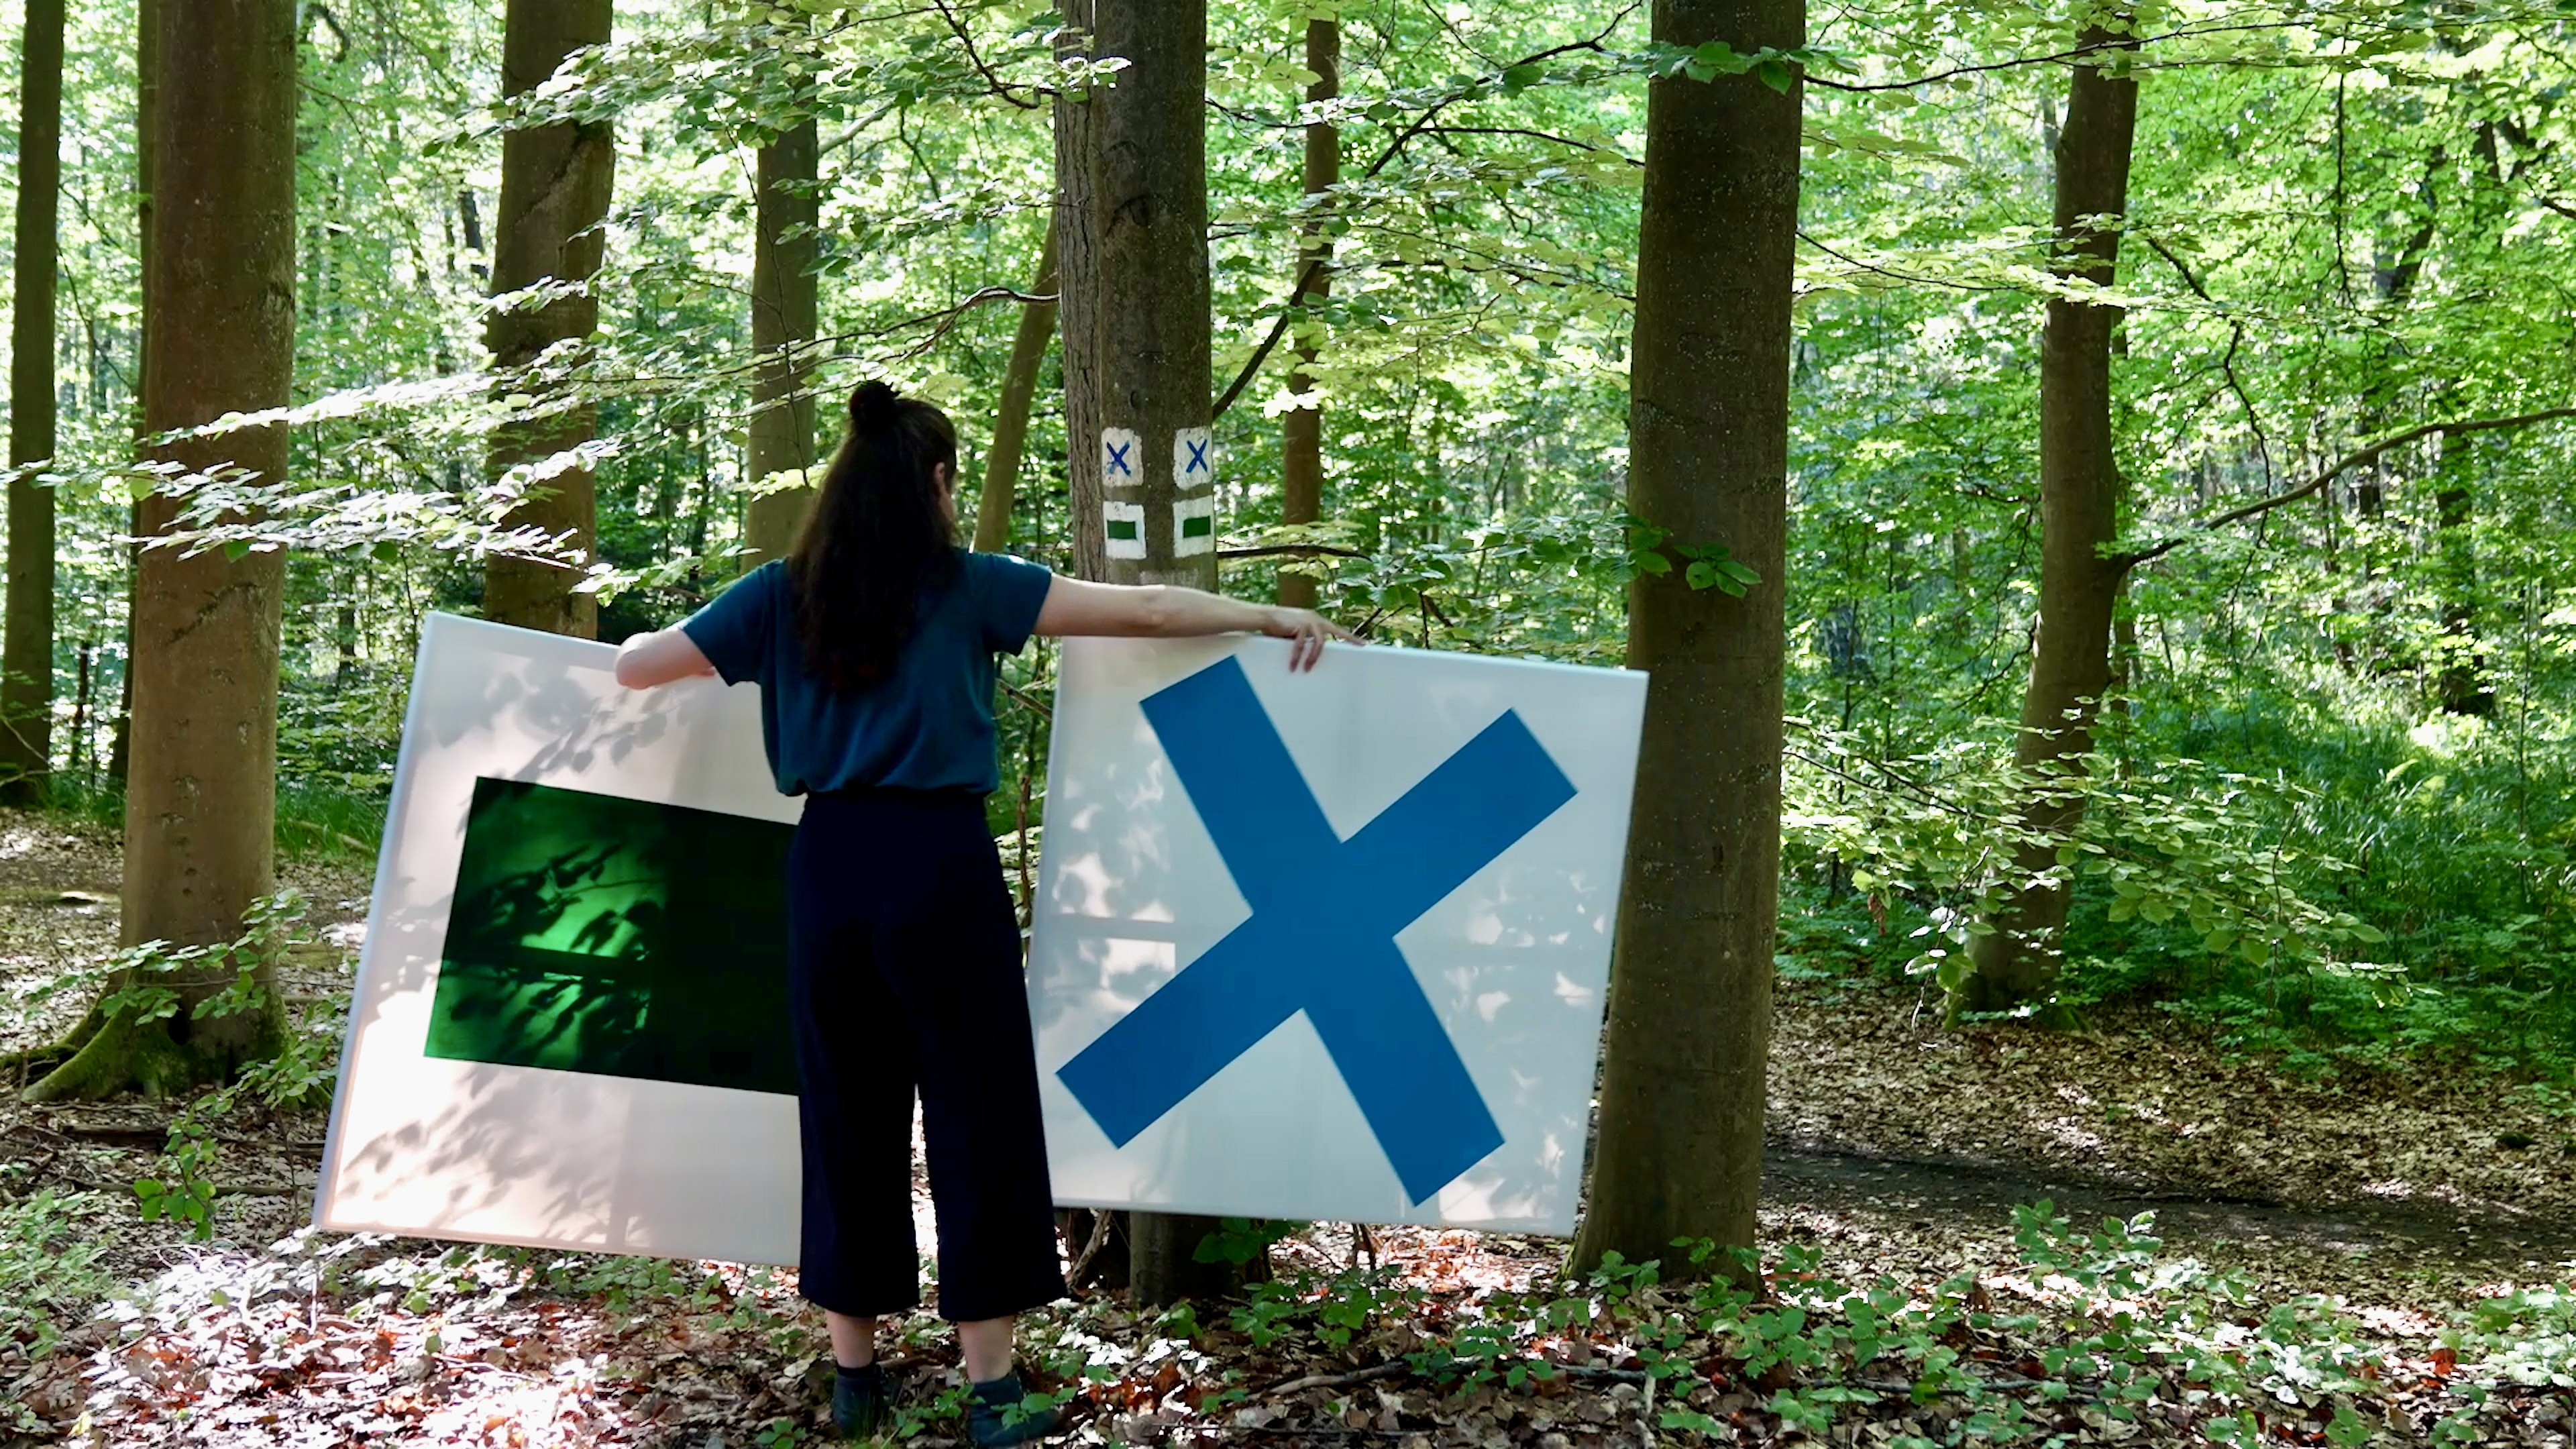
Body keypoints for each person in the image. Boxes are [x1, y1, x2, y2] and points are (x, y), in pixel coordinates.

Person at [615, 381, 1353, 1444]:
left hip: (828, 872)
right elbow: (1144, 612)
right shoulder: (969, 588)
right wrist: (1266, 613)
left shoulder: (779, 595)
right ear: (935, 483)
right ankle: (993, 1394)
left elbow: (639, 666)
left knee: (846, 1117)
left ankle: (855, 1380)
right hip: (941, 868)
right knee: (978, 1117)